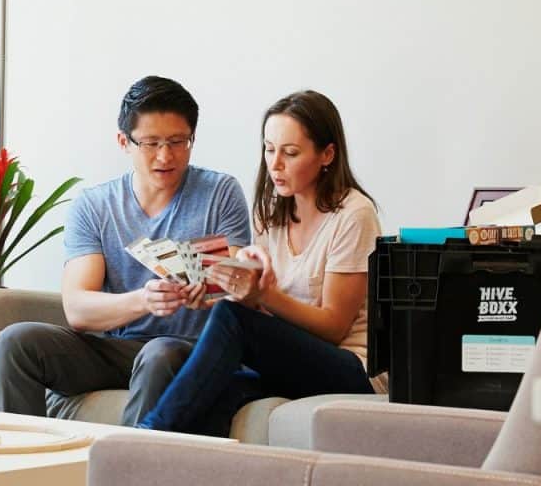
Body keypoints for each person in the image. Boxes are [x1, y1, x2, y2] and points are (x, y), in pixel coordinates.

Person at [0, 76, 255, 433]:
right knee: (16, 341)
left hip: (190, 350)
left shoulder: (219, 192)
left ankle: (122, 467)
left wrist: (208, 294)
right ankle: (22, 468)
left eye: (178, 142)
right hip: (119, 349)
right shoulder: (95, 205)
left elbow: (237, 286)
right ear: (123, 142)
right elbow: (79, 309)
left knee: (160, 352)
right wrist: (144, 300)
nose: (166, 156)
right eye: (151, 143)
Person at [139, 90, 382, 432]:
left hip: (351, 368)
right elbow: (266, 315)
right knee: (211, 396)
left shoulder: (354, 215)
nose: (275, 164)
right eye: (269, 149)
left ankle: (146, 436)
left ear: (327, 154)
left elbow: (333, 327)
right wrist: (219, 288)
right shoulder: (271, 213)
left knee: (231, 318)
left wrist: (262, 295)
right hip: (296, 360)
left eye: (290, 153)